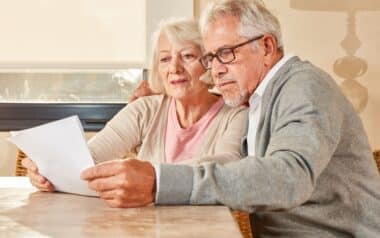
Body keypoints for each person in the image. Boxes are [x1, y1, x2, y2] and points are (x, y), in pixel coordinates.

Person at [81, 0, 380, 237]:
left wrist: (160, 180)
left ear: (266, 47)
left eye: (226, 53)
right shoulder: (257, 99)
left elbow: (289, 177)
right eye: (210, 58)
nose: (216, 69)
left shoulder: (304, 86)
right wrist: (160, 93)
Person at [22, 18, 248, 201]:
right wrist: (47, 169)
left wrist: (150, 176)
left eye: (187, 56)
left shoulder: (235, 114)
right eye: (165, 59)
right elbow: (89, 158)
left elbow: (228, 164)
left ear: (208, 62)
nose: (174, 68)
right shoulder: (145, 109)